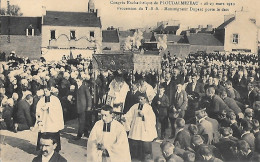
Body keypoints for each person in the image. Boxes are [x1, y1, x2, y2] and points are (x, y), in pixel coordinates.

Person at [122, 93, 157, 160]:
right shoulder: (135, 106)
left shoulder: (148, 108)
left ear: (145, 99)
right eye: (139, 99)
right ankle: (136, 157)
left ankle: (146, 158)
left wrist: (144, 116)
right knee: (134, 143)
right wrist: (125, 118)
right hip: (136, 128)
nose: (140, 100)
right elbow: (129, 114)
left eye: (141, 99)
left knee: (145, 145)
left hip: (144, 128)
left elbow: (152, 119)